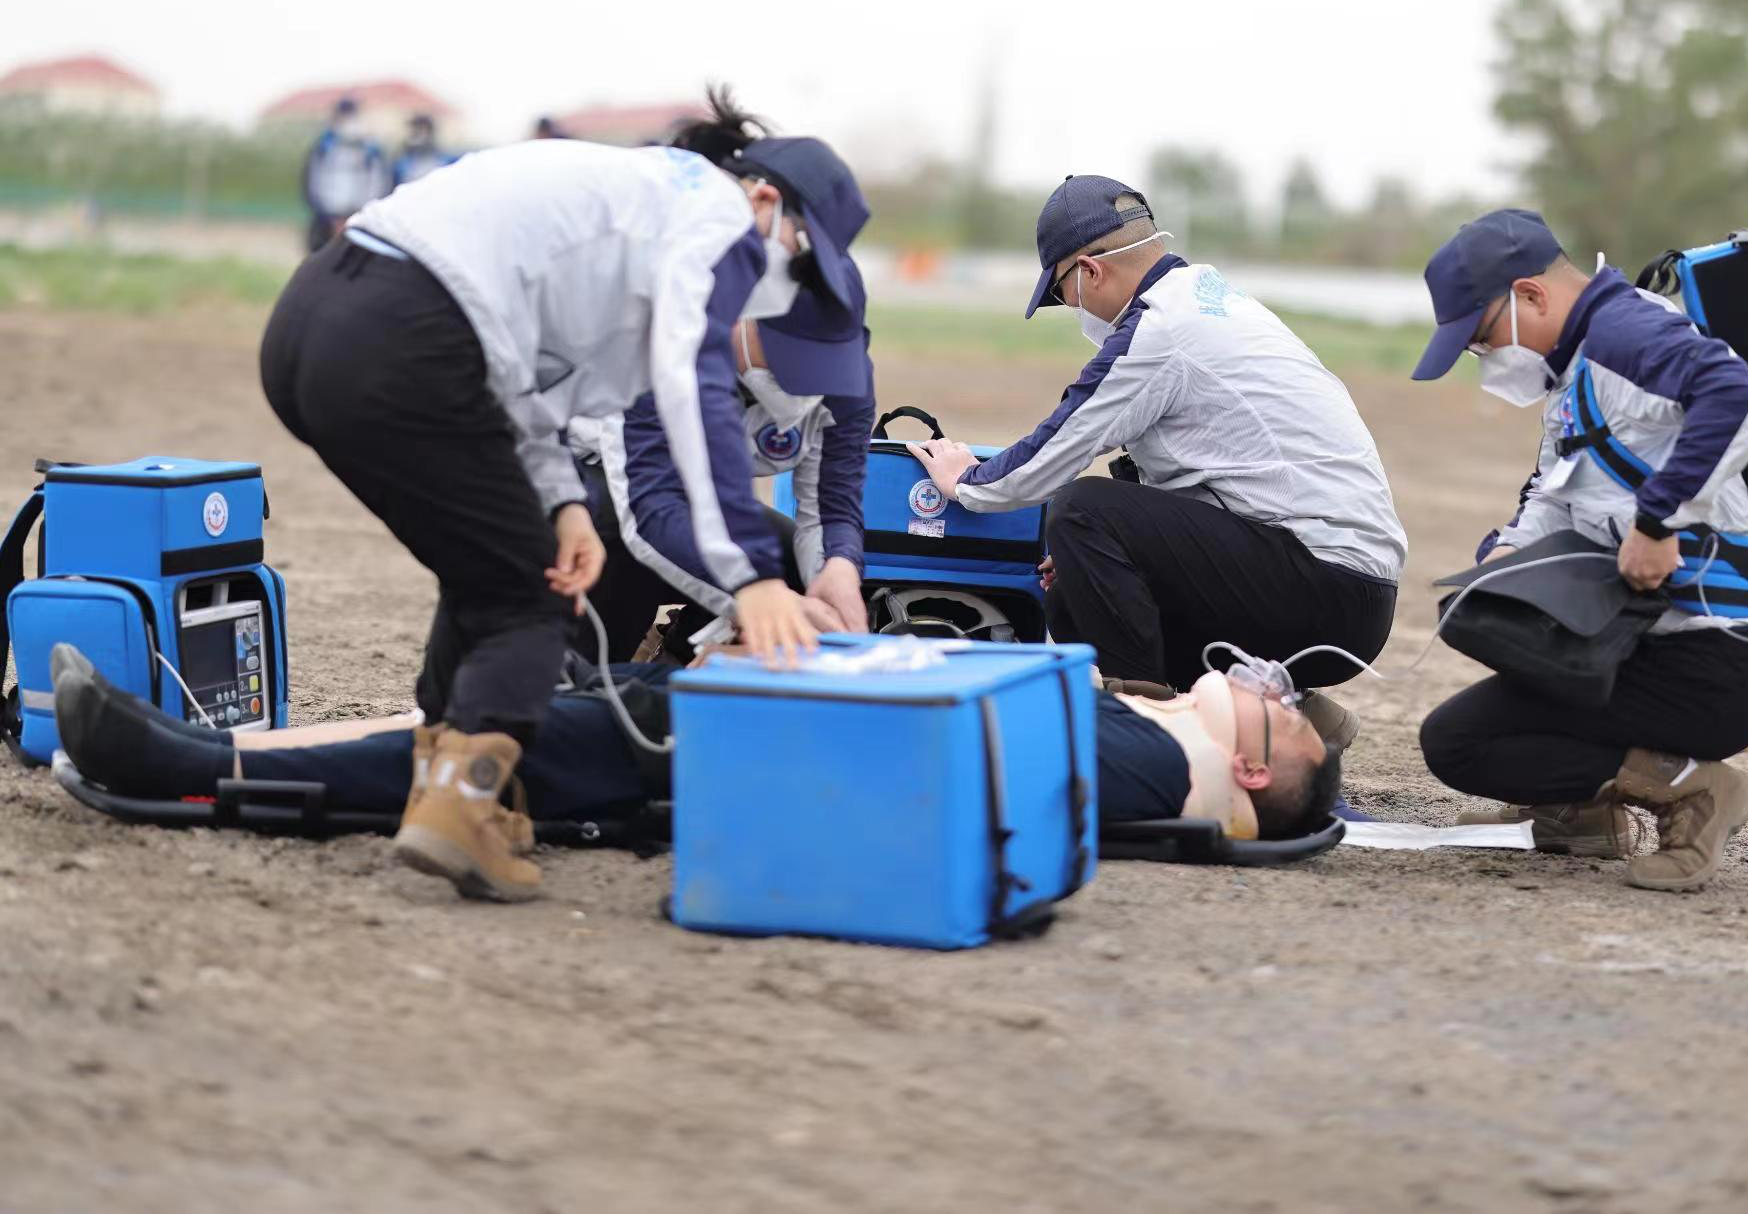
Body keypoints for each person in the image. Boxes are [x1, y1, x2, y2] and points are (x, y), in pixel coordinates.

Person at [259, 93, 853, 902]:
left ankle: (446, 784)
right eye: (802, 265)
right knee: (533, 602)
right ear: (765, 201)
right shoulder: (714, 218)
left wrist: (564, 503)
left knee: (494, 573)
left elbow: (527, 377)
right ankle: (463, 805)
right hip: (402, 335)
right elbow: (694, 384)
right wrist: (750, 575)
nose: (786, 289)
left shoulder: (647, 200)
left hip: (312, 323)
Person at [46, 641, 1343, 900]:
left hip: (744, 749)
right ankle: (205, 748)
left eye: (1282, 708)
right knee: (511, 706)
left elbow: (935, 750)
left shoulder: (1142, 757)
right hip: (756, 724)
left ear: (1250, 768)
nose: (1266, 681)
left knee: (506, 735)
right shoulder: (1135, 733)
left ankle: (188, 760)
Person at [909, 176, 1406, 701]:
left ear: (1090, 271)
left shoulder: (1160, 328)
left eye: (1061, 292)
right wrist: (1103, 558)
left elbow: (1059, 446)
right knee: (1072, 595)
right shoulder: (1212, 298)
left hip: (1325, 587)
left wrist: (967, 480)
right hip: (1348, 588)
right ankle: (1278, 714)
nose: (1072, 306)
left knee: (1082, 509)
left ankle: (1147, 722)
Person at [1410, 209, 1748, 892]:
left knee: (1470, 741)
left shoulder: (1623, 334)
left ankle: (1700, 791)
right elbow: (1554, 493)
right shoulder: (1575, 372)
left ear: (1530, 295)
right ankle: (1581, 814)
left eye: (1482, 338)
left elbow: (1738, 392)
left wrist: (1658, 522)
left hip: (1710, 660)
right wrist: (1507, 553)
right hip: (1636, 645)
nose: (1484, 357)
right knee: (1457, 738)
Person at [570, 99, 876, 659]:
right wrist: (760, 600)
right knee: (616, 531)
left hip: (678, 502)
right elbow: (648, 508)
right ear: (737, 312)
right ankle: (589, 674)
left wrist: (837, 569)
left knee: (779, 555)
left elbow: (832, 505)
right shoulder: (669, 336)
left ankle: (683, 666)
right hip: (592, 487)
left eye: (819, 357)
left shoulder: (845, 361)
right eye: (787, 356)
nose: (798, 385)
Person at [300, 97, 389, 253]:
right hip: (329, 213)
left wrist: (366, 209)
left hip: (357, 211)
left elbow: (378, 181)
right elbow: (312, 179)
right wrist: (323, 211)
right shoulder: (324, 144)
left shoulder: (370, 146)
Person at [390, 113, 456, 187]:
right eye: (414, 130)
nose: (416, 134)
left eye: (420, 130)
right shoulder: (402, 163)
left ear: (429, 132)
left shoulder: (445, 160)